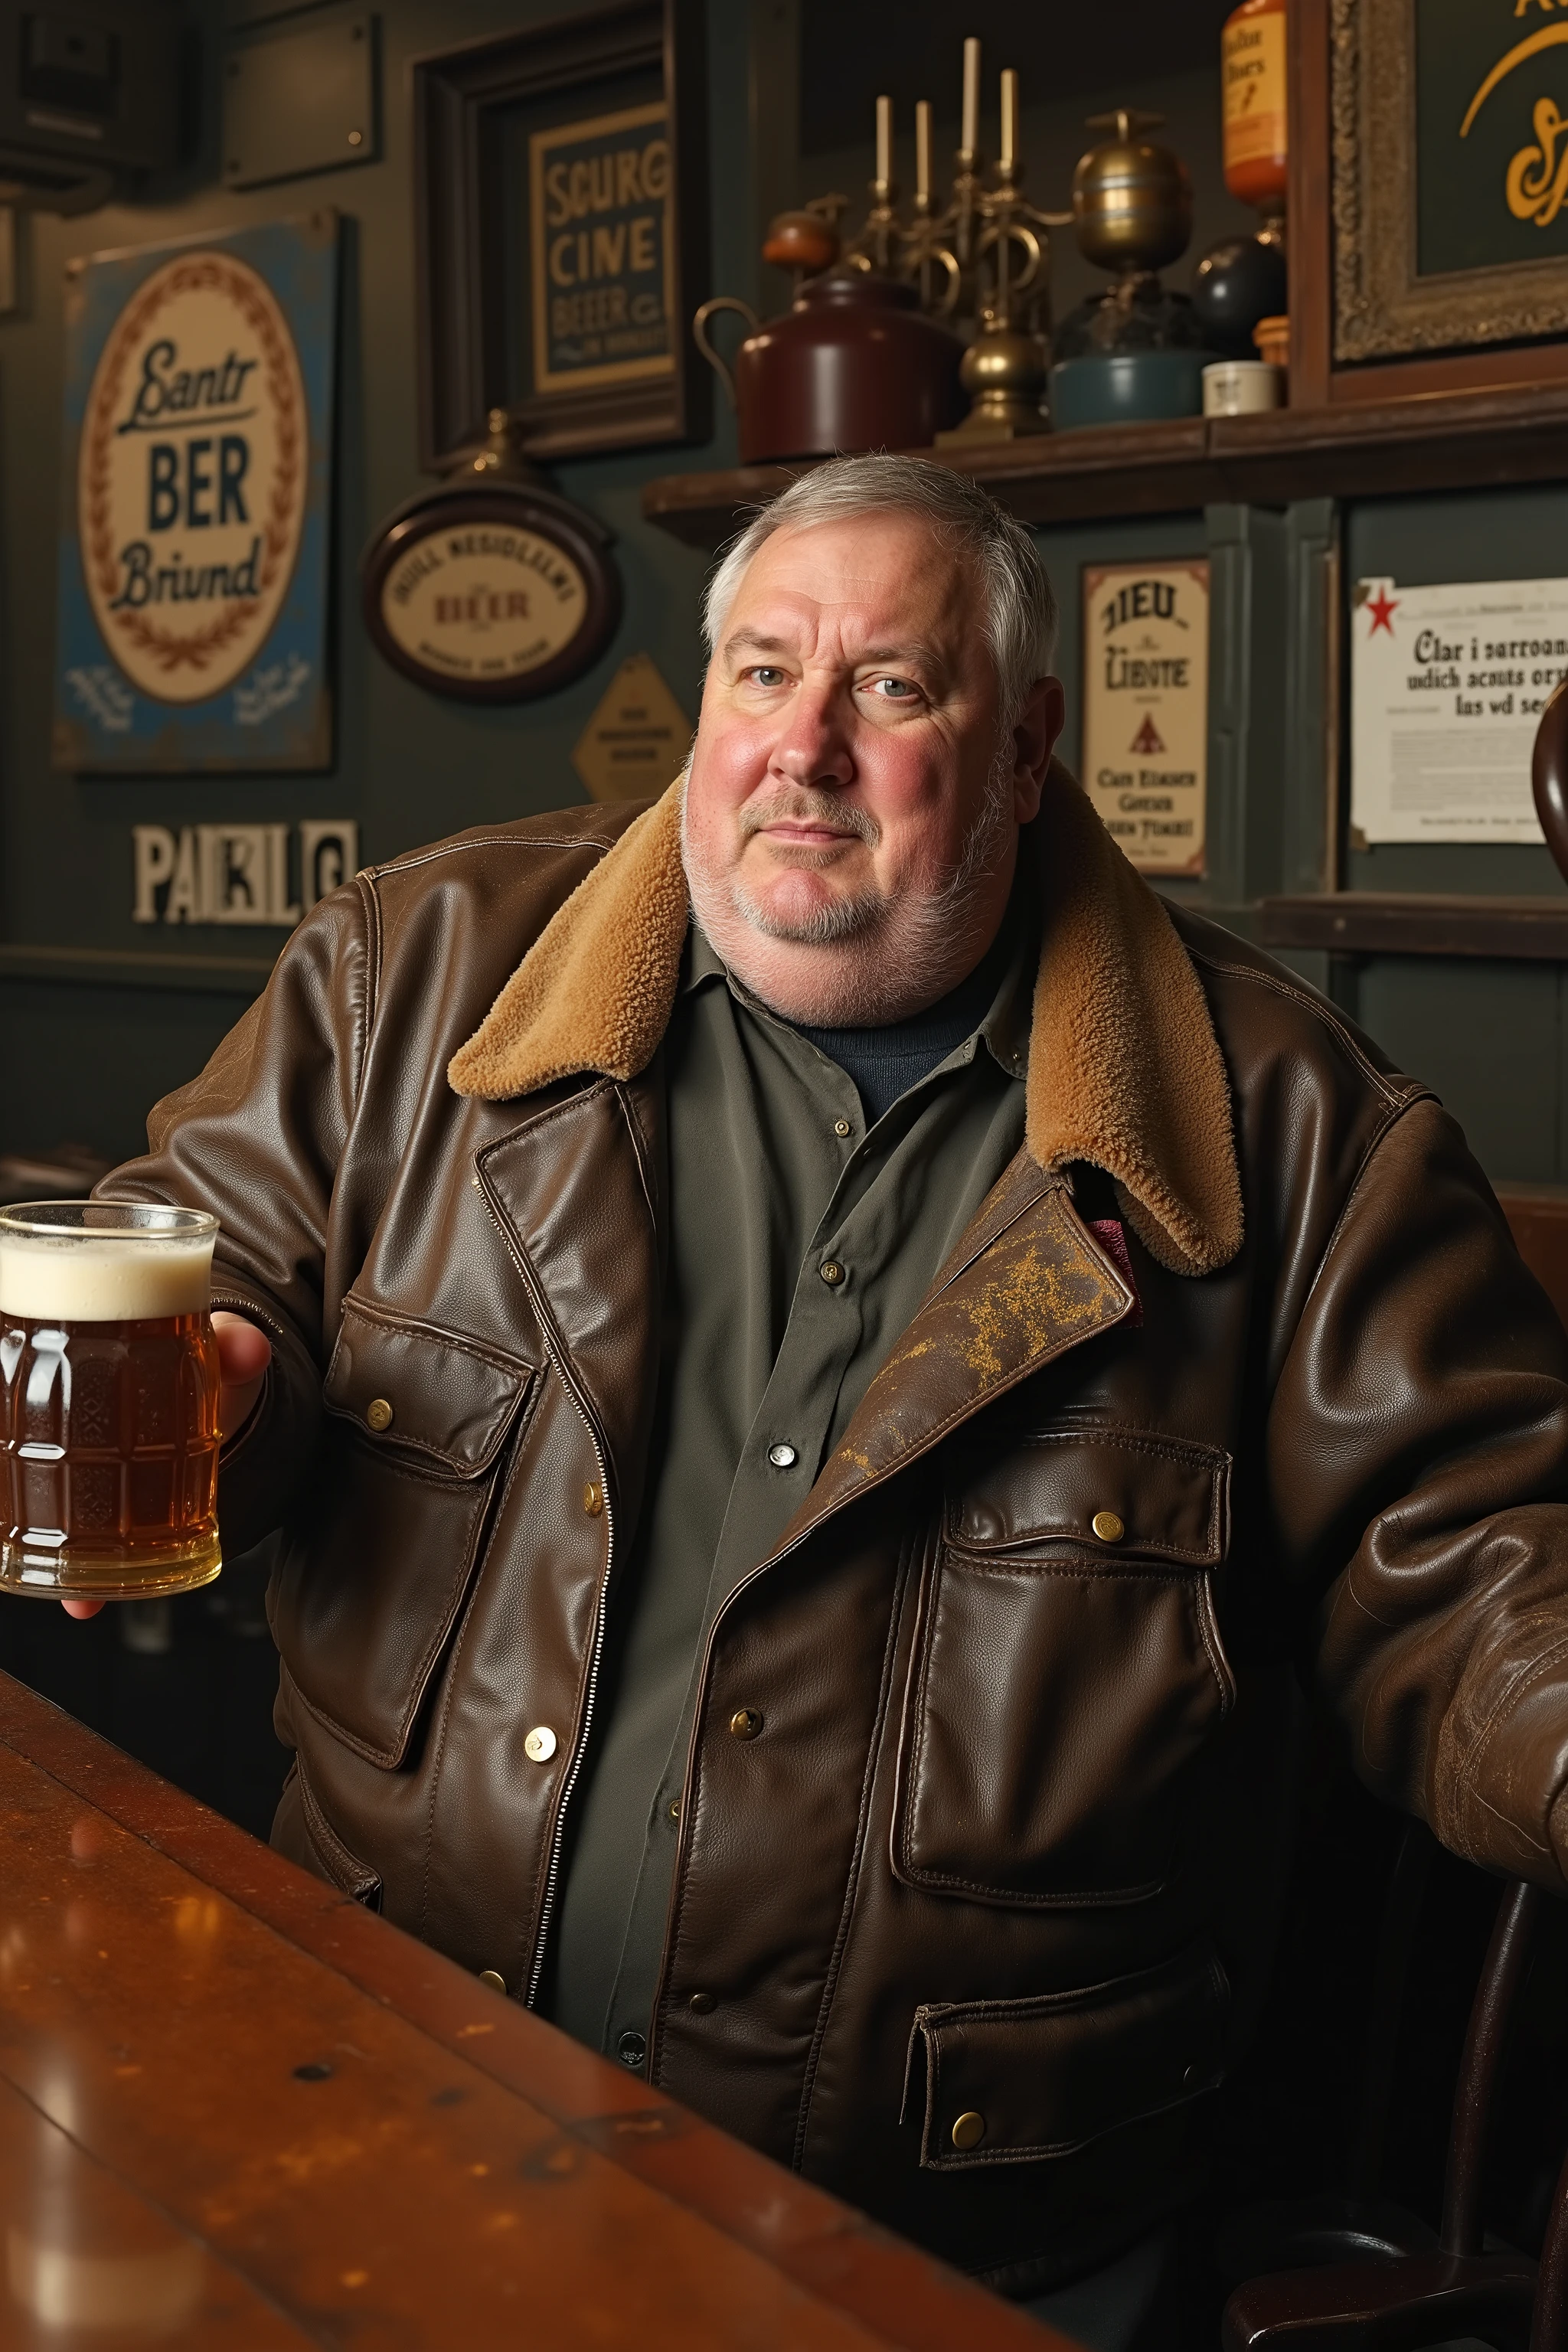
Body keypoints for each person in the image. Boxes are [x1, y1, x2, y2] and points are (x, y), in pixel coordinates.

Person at [86, 456, 1568, 2341]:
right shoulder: (405, 982)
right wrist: (218, 1390)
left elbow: (1479, 1576)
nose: (804, 748)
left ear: (1028, 749)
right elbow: (200, 1272)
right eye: (762, 674)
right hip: (385, 2098)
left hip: (953, 2250)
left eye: (890, 686)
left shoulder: (1297, 1137)